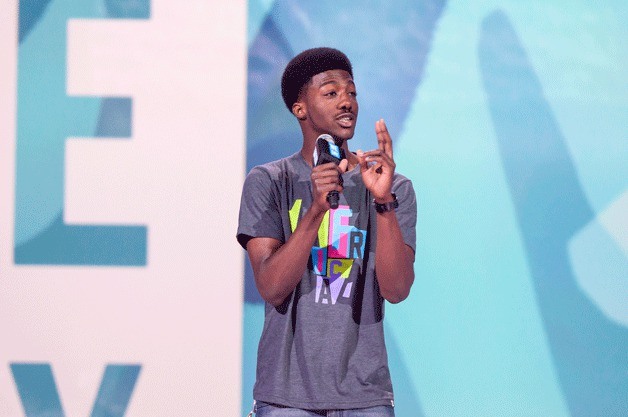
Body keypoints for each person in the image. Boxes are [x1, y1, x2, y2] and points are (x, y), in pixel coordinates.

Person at [237, 47, 417, 417]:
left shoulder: (392, 186)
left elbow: (397, 290)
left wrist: (383, 204)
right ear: (299, 108)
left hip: (365, 398)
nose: (347, 102)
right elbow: (271, 286)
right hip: (286, 399)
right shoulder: (269, 182)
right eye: (331, 93)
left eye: (352, 92)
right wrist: (317, 209)